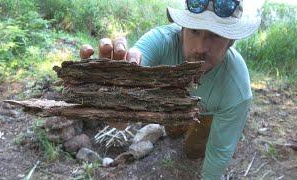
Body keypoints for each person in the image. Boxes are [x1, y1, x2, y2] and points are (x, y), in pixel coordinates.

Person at [93, 0, 261, 179]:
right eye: (194, 31)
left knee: (193, 150)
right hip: (172, 105)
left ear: (231, 41)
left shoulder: (236, 88)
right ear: (182, 29)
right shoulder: (161, 41)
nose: (200, 47)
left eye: (215, 34)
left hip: (205, 113)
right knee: (173, 130)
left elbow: (220, 152)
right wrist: (115, 99)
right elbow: (120, 118)